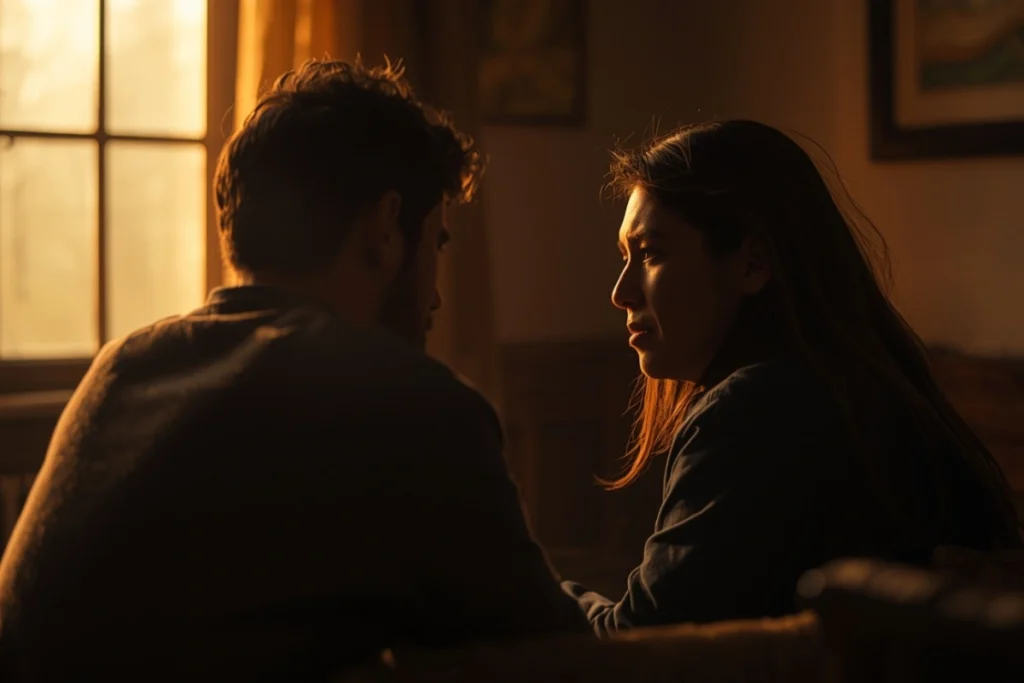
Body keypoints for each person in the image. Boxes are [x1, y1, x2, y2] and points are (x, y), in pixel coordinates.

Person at [0, 59, 586, 681]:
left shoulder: (122, 367)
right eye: (436, 244)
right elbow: (562, 659)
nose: (437, 298)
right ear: (387, 230)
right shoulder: (411, 404)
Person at [562, 120, 1023, 636]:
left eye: (650, 254)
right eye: (625, 257)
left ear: (752, 261)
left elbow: (642, 645)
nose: (620, 293)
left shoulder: (755, 411)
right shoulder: (855, 383)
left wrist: (540, 597)